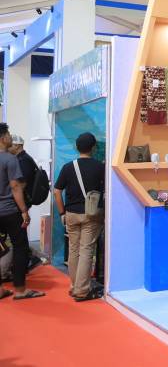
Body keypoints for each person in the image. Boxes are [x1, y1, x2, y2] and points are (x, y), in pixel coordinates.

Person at [53, 132, 105, 301]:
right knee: (86, 250)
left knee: (74, 250)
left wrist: (62, 212)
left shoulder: (68, 167)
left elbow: (57, 191)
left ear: (76, 147)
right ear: (93, 147)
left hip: (71, 214)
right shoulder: (100, 167)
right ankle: (82, 290)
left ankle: (74, 285)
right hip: (91, 214)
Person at [0, 123, 44, 300]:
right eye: (8, 134)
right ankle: (20, 289)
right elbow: (16, 187)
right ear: (3, 138)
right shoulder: (10, 159)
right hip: (10, 211)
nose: (10, 137)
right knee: (20, 247)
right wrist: (24, 210)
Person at [9, 135, 45, 272]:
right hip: (21, 202)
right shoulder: (22, 159)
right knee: (19, 234)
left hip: (21, 203)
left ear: (17, 146)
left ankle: (26, 260)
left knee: (19, 235)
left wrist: (14, 199)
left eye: (11, 145)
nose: (8, 148)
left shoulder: (23, 160)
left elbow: (20, 185)